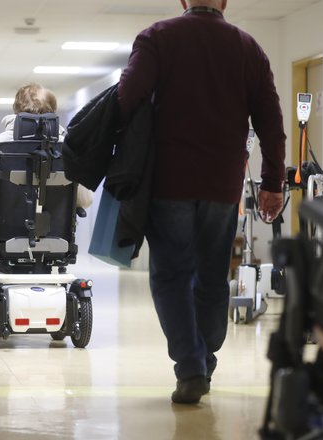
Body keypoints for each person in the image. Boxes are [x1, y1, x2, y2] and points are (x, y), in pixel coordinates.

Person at [117, 0, 286, 404]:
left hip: (169, 180)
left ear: (182, 0)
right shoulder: (249, 48)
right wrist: (273, 182)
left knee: (172, 275)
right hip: (222, 184)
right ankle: (203, 354)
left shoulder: (158, 37)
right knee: (212, 275)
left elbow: (126, 98)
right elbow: (272, 121)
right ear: (225, 2)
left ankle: (192, 365)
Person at [0, 83, 93, 223]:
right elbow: (85, 200)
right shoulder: (67, 147)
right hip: (56, 234)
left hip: (4, 233)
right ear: (54, 111)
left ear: (16, 110)